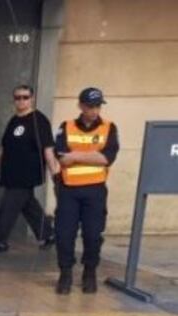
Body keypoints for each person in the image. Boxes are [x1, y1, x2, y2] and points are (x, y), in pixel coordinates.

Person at [0, 85, 62, 253]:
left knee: (8, 206)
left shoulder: (39, 120)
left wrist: (54, 172)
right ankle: (48, 234)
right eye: (17, 97)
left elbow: (47, 148)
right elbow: (4, 146)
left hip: (27, 173)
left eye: (25, 97)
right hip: (11, 172)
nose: (21, 101)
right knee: (28, 205)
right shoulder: (14, 120)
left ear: (32, 98)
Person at [53, 87, 119, 294]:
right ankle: (65, 273)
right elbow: (63, 157)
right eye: (90, 106)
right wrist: (91, 155)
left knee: (92, 235)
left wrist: (76, 156)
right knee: (64, 234)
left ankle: (89, 272)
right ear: (81, 106)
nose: (94, 110)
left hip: (95, 190)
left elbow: (107, 158)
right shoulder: (67, 126)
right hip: (68, 190)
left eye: (98, 106)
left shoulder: (110, 128)